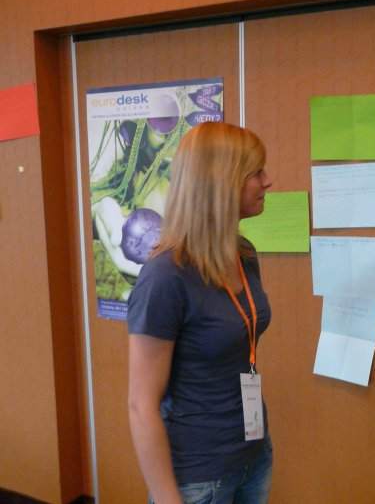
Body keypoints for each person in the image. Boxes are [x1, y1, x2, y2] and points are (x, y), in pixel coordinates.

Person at [127, 122, 273, 504]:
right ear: (222, 182)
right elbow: (141, 405)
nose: (267, 181)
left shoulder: (243, 254)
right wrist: (167, 498)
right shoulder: (164, 277)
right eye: (256, 172)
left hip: (253, 456)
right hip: (197, 478)